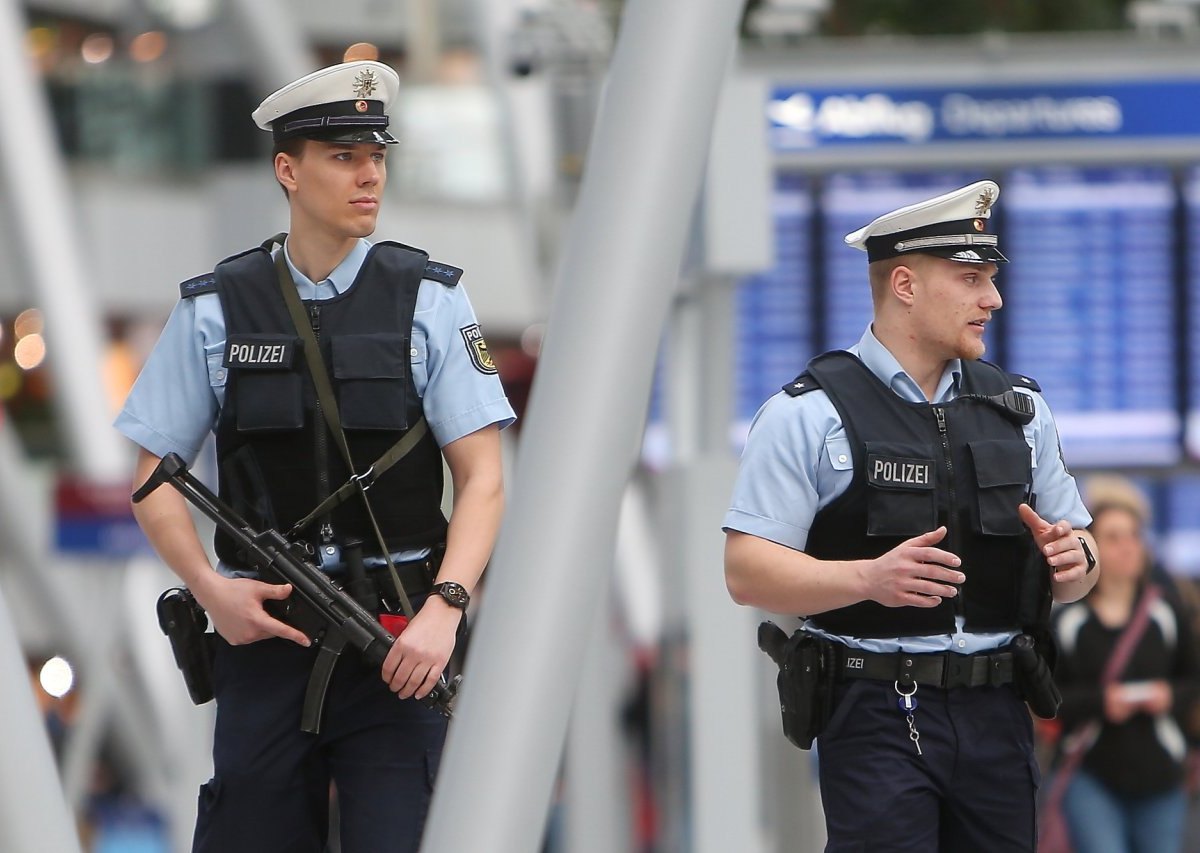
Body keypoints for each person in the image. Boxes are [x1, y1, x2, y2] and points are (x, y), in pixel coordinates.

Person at [116, 57, 515, 852]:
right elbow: (152, 477)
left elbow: (483, 480)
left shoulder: (429, 298)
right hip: (264, 639)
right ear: (287, 170)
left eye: (377, 157)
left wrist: (446, 608)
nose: (369, 176)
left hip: (399, 635)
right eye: (344, 157)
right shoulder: (216, 308)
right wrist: (208, 588)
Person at [723, 180, 1100, 851]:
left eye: (989, 278)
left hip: (999, 711)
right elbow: (747, 571)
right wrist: (867, 579)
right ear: (905, 284)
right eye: (971, 278)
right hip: (875, 711)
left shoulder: (1020, 410)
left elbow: (1078, 562)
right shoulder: (807, 414)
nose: (994, 299)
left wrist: (1078, 561)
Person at [1050, 484, 1200, 853]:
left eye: (1134, 535)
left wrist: (1169, 696)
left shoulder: (1167, 610)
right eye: (1113, 537)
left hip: (1161, 771)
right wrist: (1103, 702)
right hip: (1089, 770)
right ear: (1094, 548)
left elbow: (1192, 679)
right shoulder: (1069, 621)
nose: (1128, 546)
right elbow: (1048, 698)